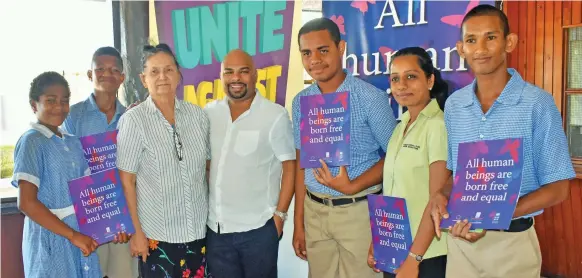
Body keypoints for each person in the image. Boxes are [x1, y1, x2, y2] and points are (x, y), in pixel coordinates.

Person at [430, 5, 576, 278]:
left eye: (491, 37)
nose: (481, 48)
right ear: (461, 49)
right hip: (461, 243)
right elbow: (457, 176)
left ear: (509, 42)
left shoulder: (537, 104)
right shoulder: (454, 105)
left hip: (512, 244)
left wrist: (495, 215)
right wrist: (442, 194)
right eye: (471, 40)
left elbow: (558, 188)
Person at [292, 17, 397, 278]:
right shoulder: (301, 102)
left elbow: (396, 157)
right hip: (315, 212)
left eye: (323, 50)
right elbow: (300, 162)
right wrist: (299, 223)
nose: (314, 59)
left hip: (357, 211)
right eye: (307, 53)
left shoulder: (370, 98)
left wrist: (353, 185)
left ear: (341, 49)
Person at [116, 43, 210, 278]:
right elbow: (126, 182)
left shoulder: (198, 116)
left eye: (168, 70)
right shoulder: (134, 121)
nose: (162, 77)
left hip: (200, 234)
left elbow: (207, 170)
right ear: (143, 78)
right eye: (154, 71)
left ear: (178, 74)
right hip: (157, 238)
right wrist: (136, 232)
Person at [204, 49, 296, 278]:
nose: (236, 78)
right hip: (216, 231)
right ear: (221, 76)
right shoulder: (209, 113)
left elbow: (290, 167)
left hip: (259, 231)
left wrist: (279, 218)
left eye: (243, 72)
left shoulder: (274, 115)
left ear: (255, 75)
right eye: (229, 72)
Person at [367, 47, 451, 278]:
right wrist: (380, 240)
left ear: (430, 80)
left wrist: (415, 257)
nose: (402, 85)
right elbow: (392, 191)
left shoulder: (437, 126)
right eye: (395, 79)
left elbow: (437, 201)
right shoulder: (400, 126)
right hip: (395, 248)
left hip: (426, 254)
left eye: (411, 76)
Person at [12, 71, 102, 277]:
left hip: (81, 233)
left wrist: (111, 225)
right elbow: (26, 203)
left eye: (64, 101)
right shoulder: (32, 142)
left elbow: (88, 194)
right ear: (34, 105)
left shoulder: (72, 141)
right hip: (51, 237)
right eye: (50, 101)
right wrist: (72, 235)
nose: (59, 107)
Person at [62, 46, 137, 278]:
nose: (108, 74)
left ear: (122, 78)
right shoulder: (72, 116)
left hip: (121, 214)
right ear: (89, 74)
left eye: (115, 70)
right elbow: (68, 167)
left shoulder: (131, 117)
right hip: (86, 217)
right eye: (100, 69)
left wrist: (126, 220)